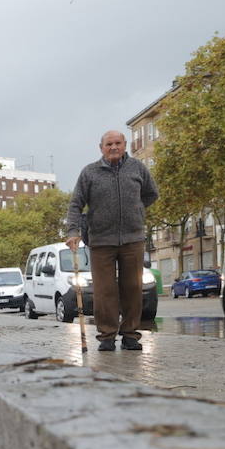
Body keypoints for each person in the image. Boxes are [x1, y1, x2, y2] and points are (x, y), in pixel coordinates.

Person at [65, 130, 158, 351]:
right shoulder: (90, 172)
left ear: (125, 145)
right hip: (101, 241)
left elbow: (151, 194)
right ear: (101, 148)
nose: (113, 147)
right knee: (104, 291)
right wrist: (72, 231)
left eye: (118, 143)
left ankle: (130, 335)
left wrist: (136, 210)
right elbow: (75, 204)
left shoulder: (137, 168)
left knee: (133, 288)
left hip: (132, 239)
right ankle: (106, 335)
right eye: (109, 144)